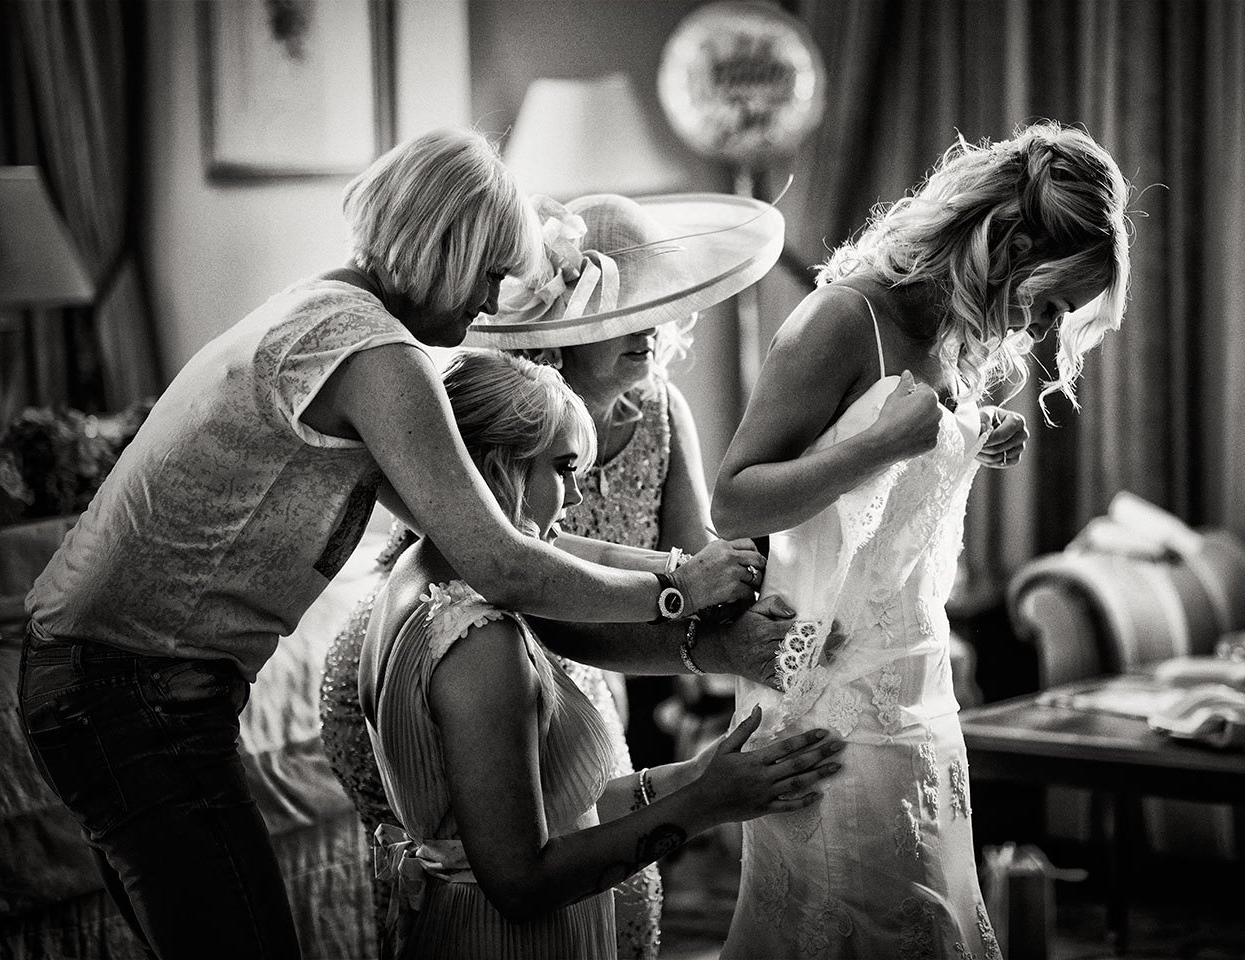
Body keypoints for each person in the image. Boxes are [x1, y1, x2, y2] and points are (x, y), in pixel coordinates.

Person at [17, 127, 769, 960]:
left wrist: (677, 571)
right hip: (131, 684)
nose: (490, 305)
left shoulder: (323, 313)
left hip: (100, 673)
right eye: (487, 275)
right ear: (444, 250)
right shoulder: (374, 353)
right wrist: (677, 592)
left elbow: (507, 530)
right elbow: (504, 563)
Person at [322, 188, 787, 959]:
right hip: (471, 655)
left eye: (656, 305)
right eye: (624, 309)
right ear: (566, 326)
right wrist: (694, 617)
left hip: (535, 656)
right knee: (471, 881)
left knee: (604, 882)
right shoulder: (515, 421)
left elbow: (691, 561)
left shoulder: (661, 411)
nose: (650, 327)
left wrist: (739, 603)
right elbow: (530, 581)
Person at [710, 122, 1133, 958]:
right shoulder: (839, 319)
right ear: (1007, 245)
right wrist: (882, 445)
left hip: (921, 691)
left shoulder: (959, 333)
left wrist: (972, 433)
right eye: (1049, 302)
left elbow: (906, 466)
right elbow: (733, 503)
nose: (1045, 332)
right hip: (827, 693)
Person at [359, 348, 847, 959]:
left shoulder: (416, 577)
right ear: (498, 468)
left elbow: (544, 818)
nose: (572, 498)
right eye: (562, 469)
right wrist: (706, 806)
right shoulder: (482, 644)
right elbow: (523, 881)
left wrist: (691, 776)